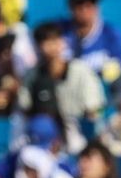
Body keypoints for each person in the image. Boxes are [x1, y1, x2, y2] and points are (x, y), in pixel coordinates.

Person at [18, 23, 106, 152]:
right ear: (37, 45)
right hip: (43, 133)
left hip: (78, 130)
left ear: (63, 41)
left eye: (56, 39)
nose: (52, 46)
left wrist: (91, 115)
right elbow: (24, 107)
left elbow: (99, 108)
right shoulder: (31, 75)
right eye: (46, 41)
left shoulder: (82, 71)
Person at [58, 0, 121, 83]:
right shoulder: (58, 32)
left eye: (91, 1)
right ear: (70, 5)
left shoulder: (111, 35)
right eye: (79, 2)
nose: (85, 7)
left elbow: (118, 76)